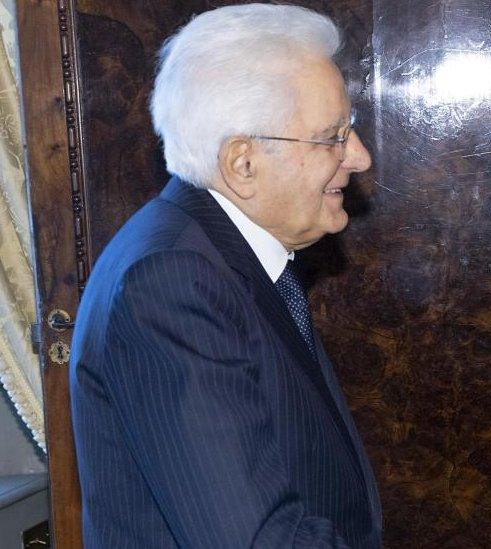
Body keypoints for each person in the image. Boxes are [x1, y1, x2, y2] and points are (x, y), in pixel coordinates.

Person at [69, 5, 381, 547]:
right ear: (242, 163)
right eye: (333, 135)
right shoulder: (171, 282)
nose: (360, 157)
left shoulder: (222, 253)